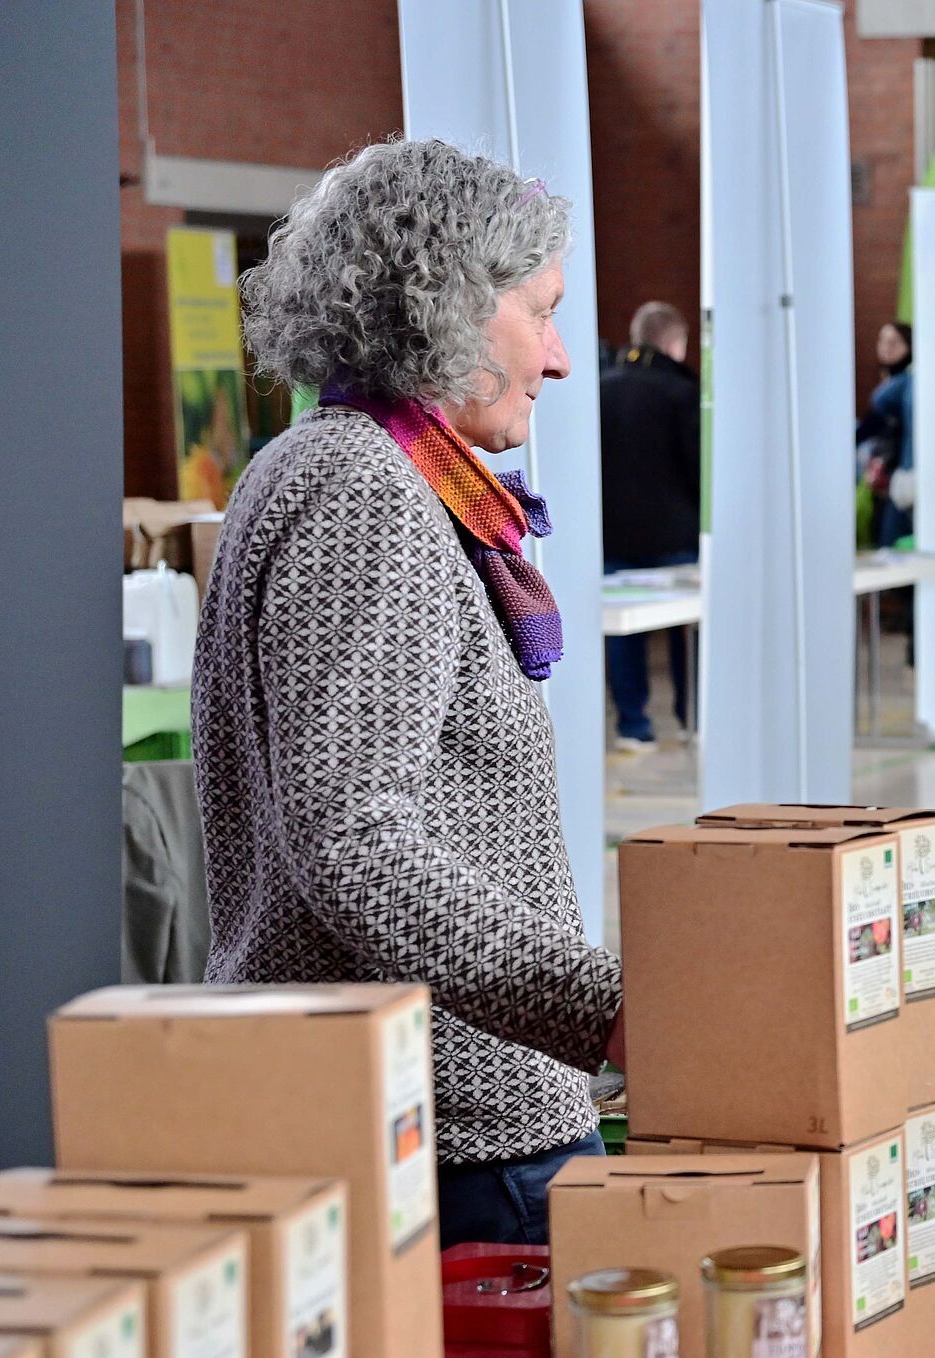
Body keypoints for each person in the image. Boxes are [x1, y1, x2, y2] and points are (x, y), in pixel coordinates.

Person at [200, 138, 622, 1249]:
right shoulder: (365, 489)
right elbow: (351, 837)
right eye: (542, 311)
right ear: (448, 307)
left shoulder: (332, 467)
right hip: (457, 1138)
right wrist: (602, 1006)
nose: (565, 357)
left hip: (420, 1120)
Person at [600, 300, 703, 751]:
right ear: (675, 343)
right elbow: (699, 466)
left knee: (622, 632)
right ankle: (692, 717)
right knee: (688, 629)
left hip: (614, 533)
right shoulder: (682, 392)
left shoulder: (602, 388)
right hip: (675, 534)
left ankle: (632, 725)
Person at [861, 320, 914, 550]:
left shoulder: (904, 384)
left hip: (901, 475)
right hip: (890, 476)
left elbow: (870, 426)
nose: (886, 347)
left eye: (894, 342)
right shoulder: (892, 382)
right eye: (883, 341)